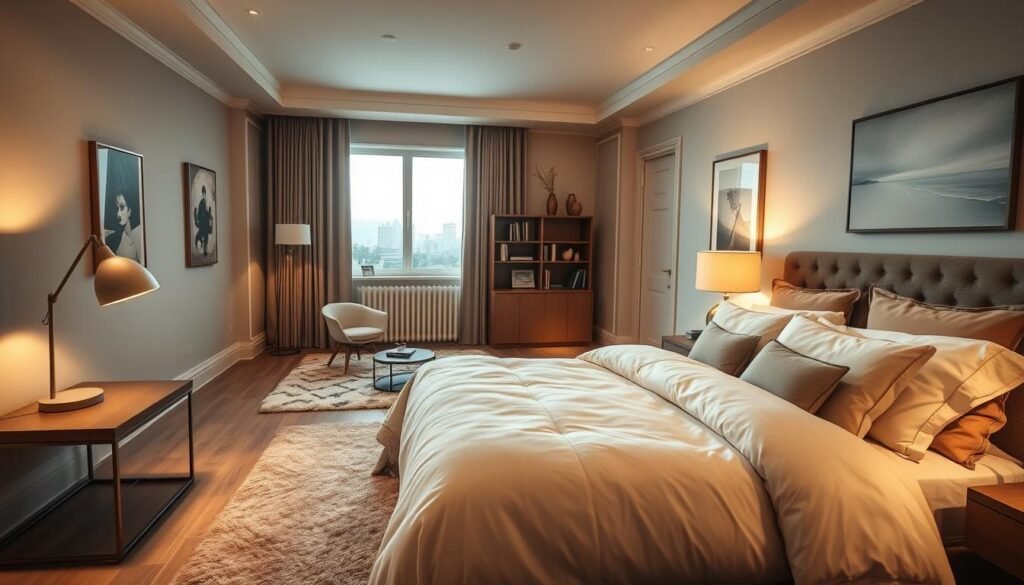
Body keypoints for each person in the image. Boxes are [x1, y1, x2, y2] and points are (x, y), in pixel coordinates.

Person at [105, 192, 143, 262]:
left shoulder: (140, 232)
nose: (118, 214)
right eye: (117, 208)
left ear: (129, 211)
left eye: (122, 207)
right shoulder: (116, 239)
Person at [194, 185, 213, 257]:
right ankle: (202, 247)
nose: (204, 194)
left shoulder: (205, 201)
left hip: (205, 223)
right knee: (203, 236)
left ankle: (204, 249)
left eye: (204, 193)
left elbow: (205, 212)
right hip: (203, 223)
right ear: (202, 193)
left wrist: (209, 214)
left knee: (206, 237)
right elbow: (200, 213)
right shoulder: (202, 202)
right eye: (203, 193)